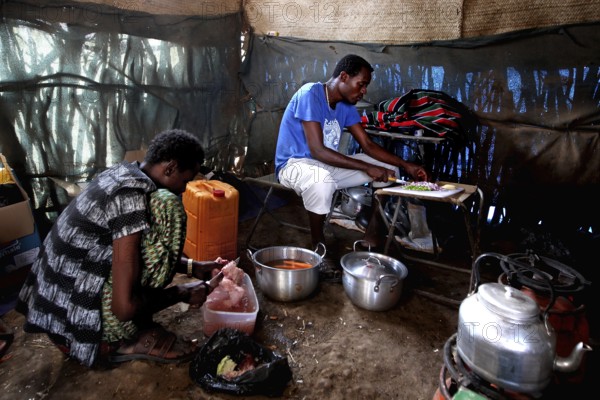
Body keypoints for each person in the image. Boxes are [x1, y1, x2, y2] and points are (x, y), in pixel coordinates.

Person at [17, 129, 224, 367]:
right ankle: (118, 342)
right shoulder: (130, 198)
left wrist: (191, 266)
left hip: (55, 306)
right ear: (169, 168)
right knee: (169, 207)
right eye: (186, 180)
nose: (184, 189)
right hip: (73, 325)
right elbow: (124, 308)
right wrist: (184, 293)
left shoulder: (125, 173)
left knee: (135, 259)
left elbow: (129, 251)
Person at [275, 54, 430, 251]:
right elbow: (318, 150)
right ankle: (318, 246)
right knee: (322, 181)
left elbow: (368, 145)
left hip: (326, 165)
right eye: (361, 84)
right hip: (294, 165)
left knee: (388, 169)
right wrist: (367, 168)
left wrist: (406, 165)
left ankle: (372, 235)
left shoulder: (346, 106)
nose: (363, 91)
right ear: (344, 76)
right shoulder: (310, 94)